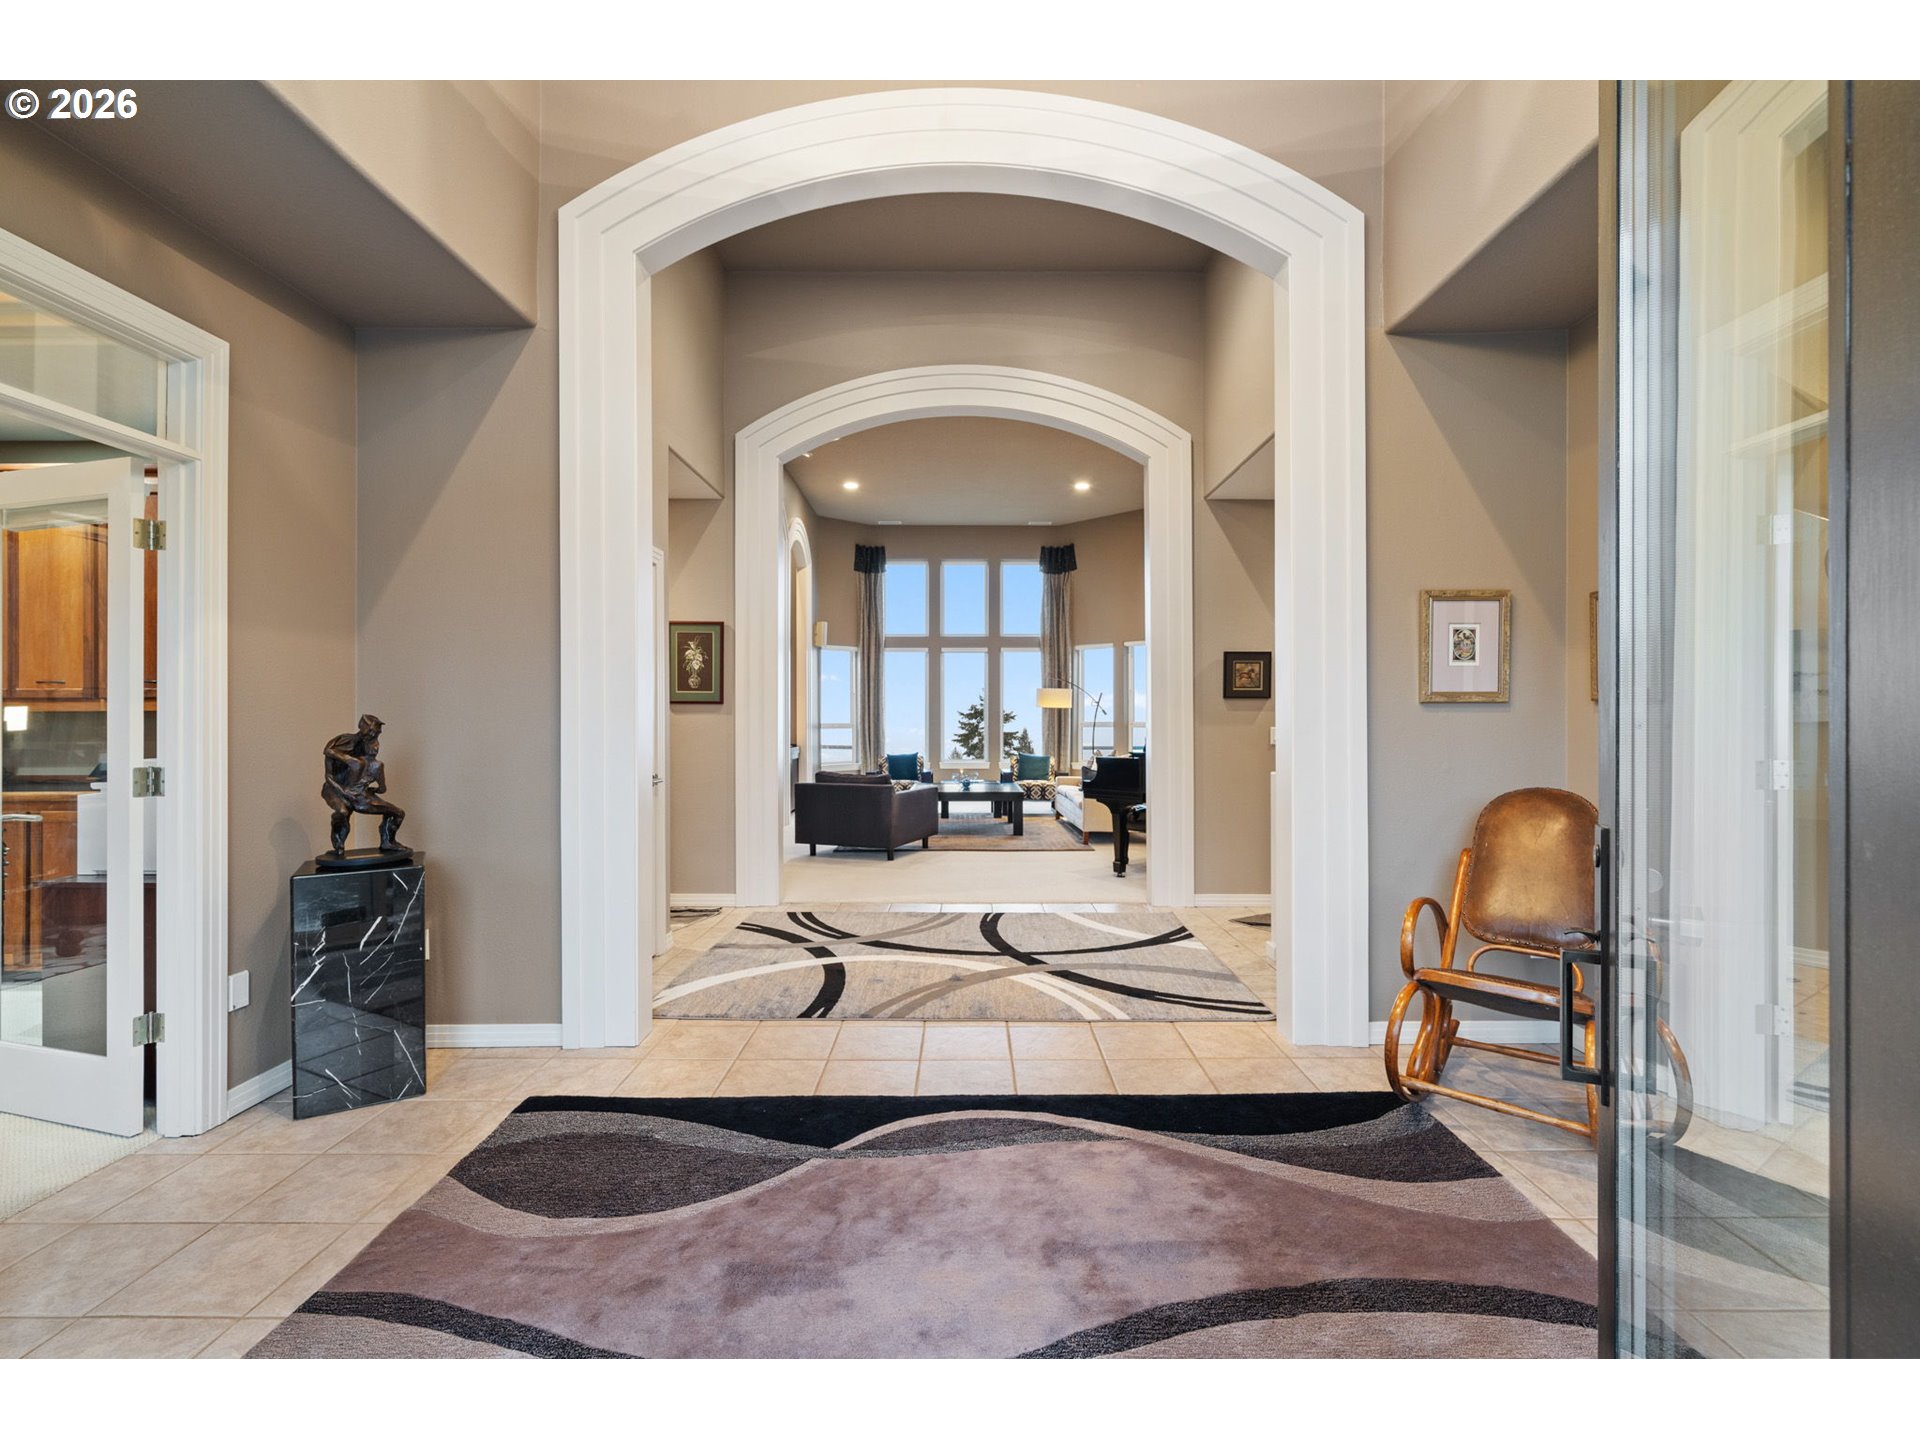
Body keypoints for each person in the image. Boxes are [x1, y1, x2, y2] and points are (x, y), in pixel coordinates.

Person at [322, 714, 407, 854]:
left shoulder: (372, 756)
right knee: (343, 811)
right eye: (372, 732)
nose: (375, 737)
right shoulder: (342, 743)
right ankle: (338, 845)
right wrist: (345, 791)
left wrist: (368, 790)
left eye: (377, 734)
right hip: (334, 789)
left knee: (396, 813)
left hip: (358, 794)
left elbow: (377, 782)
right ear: (363, 728)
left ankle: (388, 842)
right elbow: (328, 777)